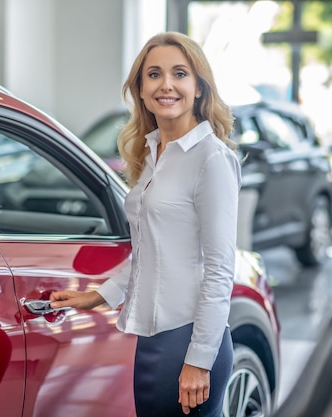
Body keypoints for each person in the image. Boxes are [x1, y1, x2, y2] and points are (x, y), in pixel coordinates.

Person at [50, 32, 241, 417]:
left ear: (199, 88)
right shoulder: (155, 153)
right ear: (140, 88)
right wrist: (99, 294)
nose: (166, 84)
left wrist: (199, 360)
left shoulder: (210, 158)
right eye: (153, 74)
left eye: (179, 74)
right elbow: (151, 250)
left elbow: (220, 269)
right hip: (154, 341)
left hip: (188, 340)